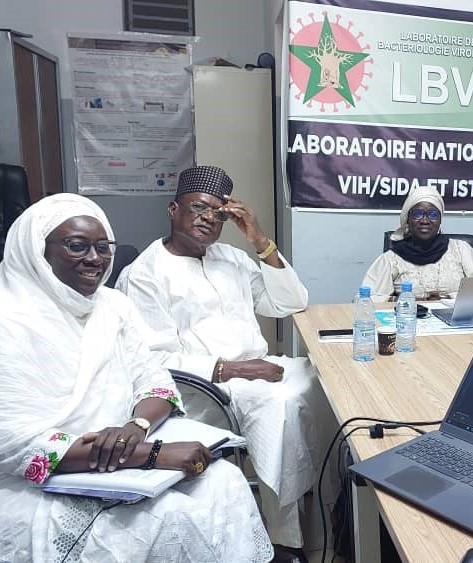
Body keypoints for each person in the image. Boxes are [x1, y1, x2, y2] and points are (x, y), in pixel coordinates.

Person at [0, 193, 273, 562]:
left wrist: (137, 425)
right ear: (35, 251)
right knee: (171, 518)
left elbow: (154, 378)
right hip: (46, 481)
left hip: (123, 453)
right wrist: (149, 454)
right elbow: (15, 445)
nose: (95, 259)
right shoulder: (10, 321)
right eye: (77, 246)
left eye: (103, 247)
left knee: (227, 482)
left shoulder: (112, 307)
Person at [116, 165, 334, 559]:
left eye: (217, 213)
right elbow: (152, 358)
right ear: (173, 209)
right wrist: (233, 369)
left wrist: (259, 238)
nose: (207, 218)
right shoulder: (145, 274)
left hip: (259, 372)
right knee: (280, 407)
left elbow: (290, 301)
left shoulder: (231, 258)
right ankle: (283, 536)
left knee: (332, 386)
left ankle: (326, 502)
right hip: (203, 389)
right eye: (198, 208)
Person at [361, 186, 473, 302]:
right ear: (408, 220)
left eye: (433, 214)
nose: (425, 221)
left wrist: (446, 298)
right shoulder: (391, 259)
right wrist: (402, 301)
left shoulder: (461, 250)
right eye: (417, 214)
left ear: (440, 220)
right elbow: (367, 299)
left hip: (456, 322)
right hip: (408, 321)